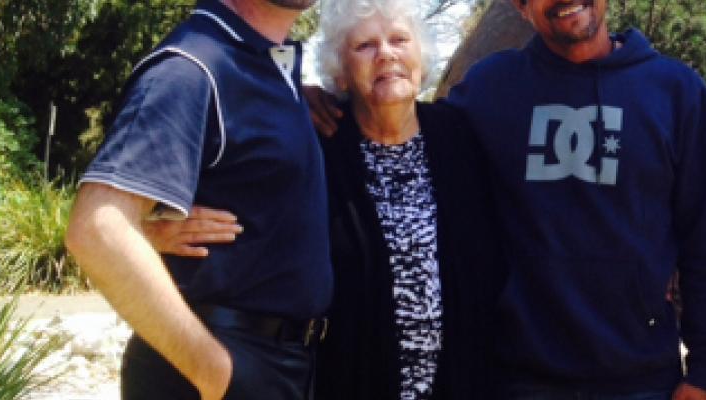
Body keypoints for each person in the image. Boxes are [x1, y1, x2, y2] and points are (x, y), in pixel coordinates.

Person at [311, 0, 706, 397]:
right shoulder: (490, 89)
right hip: (517, 379)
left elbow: (704, 242)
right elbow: (396, 116)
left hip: (643, 379)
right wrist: (311, 100)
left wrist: (702, 372)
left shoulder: (677, 92)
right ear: (521, 7)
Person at [147, 0, 505, 398]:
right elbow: (245, 201)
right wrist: (151, 229)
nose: (386, 54)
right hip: (346, 380)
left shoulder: (459, 138)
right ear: (342, 74)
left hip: (459, 380)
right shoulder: (316, 141)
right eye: (365, 46)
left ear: (422, 56)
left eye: (400, 40)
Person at [63, 0, 330, 399]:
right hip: (216, 365)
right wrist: (216, 374)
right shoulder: (191, 65)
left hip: (283, 364)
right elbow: (99, 229)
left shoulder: (268, 66)